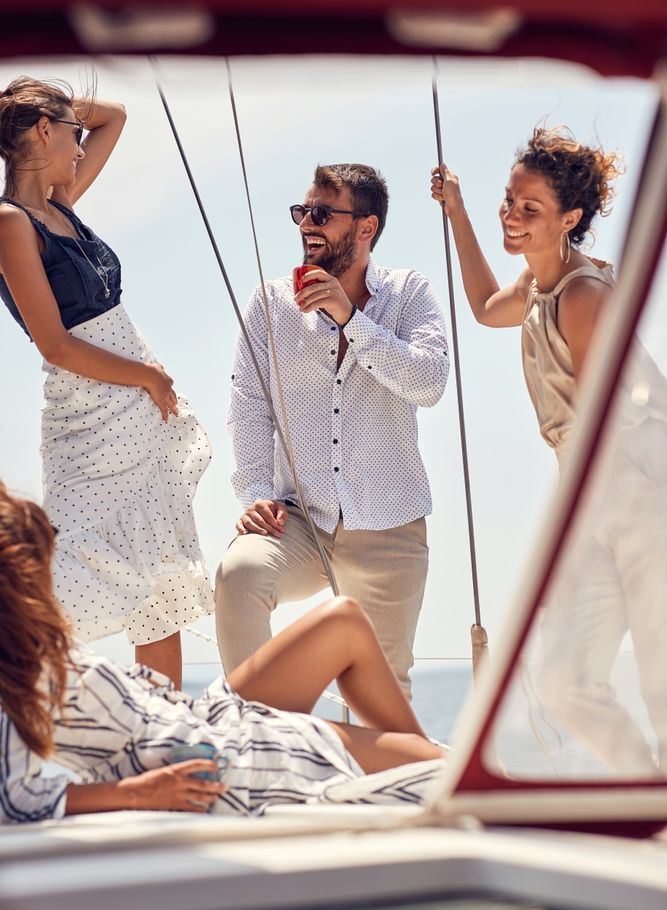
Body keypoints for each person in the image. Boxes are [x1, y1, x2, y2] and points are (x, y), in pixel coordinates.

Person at [431, 126, 666, 775]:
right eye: (508, 201)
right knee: (564, 681)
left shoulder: (584, 297)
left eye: (527, 209)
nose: (510, 216)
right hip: (595, 504)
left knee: (661, 683)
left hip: (641, 497)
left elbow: (605, 423)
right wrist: (456, 210)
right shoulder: (538, 289)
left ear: (570, 219)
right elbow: (481, 306)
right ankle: (645, 791)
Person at [0, 482, 443, 824]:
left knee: (343, 621)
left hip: (201, 716)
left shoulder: (26, 645)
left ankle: (419, 759)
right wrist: (143, 793)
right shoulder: (15, 668)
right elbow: (13, 798)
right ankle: (435, 770)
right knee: (437, 768)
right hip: (209, 751)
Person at [0, 77, 213, 688]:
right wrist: (146, 375)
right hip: (89, 415)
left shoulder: (60, 203)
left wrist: (45, 108)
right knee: (69, 573)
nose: (79, 146)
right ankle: (23, 714)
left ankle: (165, 729)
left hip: (136, 413)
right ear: (43, 132)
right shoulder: (12, 222)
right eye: (69, 134)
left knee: (159, 577)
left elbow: (114, 117)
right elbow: (55, 344)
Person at [216, 163, 449, 697]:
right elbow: (250, 402)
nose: (306, 225)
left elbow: (429, 382)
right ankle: (268, 736)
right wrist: (255, 493)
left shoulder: (408, 293)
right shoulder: (271, 304)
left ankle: (375, 772)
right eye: (302, 212)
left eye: (322, 213)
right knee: (240, 575)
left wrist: (351, 319)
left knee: (381, 694)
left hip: (390, 523)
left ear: (366, 227)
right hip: (299, 517)